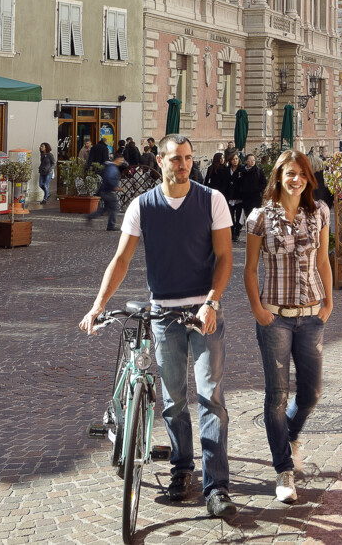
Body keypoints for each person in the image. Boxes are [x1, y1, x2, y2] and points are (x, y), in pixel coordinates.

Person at [78, 134, 237, 518]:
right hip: (164, 312)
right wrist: (98, 305)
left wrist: (212, 302)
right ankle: (182, 469)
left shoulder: (211, 200)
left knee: (210, 396)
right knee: (174, 399)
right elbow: (121, 260)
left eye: (187, 158)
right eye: (175, 159)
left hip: (203, 311)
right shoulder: (142, 206)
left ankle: (217, 486)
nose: (182, 165)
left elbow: (225, 257)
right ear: (160, 163)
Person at [242, 150, 333, 504]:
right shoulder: (260, 218)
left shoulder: (320, 212)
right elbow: (250, 269)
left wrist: (328, 302)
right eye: (289, 173)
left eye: (302, 174)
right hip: (275, 318)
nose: (296, 179)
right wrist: (258, 310)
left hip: (311, 317)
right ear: (278, 177)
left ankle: (291, 436)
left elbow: (323, 260)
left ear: (309, 179)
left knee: (310, 394)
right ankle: (284, 470)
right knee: (276, 397)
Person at [86, 153, 124, 229]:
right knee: (114, 208)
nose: (122, 162)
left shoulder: (109, 166)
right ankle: (111, 225)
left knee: (105, 208)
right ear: (117, 159)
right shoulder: (112, 168)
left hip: (105, 190)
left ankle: (90, 216)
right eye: (121, 160)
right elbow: (109, 178)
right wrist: (115, 186)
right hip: (109, 191)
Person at [235, 154, 267, 229]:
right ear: (246, 161)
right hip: (245, 198)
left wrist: (256, 189)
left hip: (256, 198)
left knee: (256, 217)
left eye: (253, 160)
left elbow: (264, 183)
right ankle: (249, 232)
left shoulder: (259, 171)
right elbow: (238, 183)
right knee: (248, 216)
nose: (252, 162)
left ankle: (256, 232)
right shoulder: (242, 171)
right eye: (250, 160)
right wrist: (242, 190)